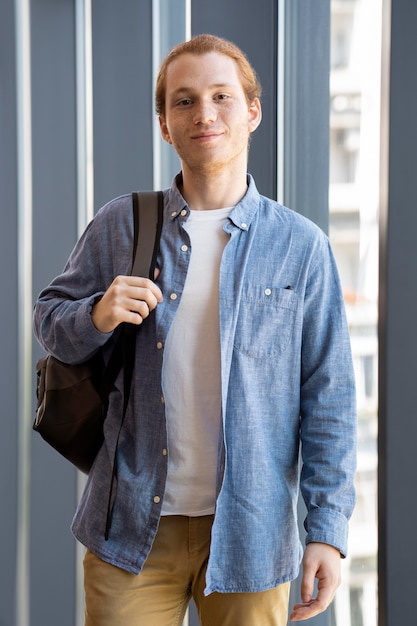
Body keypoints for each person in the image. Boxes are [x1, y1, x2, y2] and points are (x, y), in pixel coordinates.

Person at [33, 33, 356, 626]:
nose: (203, 113)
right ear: (164, 124)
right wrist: (97, 314)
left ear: (252, 111)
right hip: (130, 526)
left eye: (220, 96)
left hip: (252, 533)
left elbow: (329, 398)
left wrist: (327, 533)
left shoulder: (302, 247)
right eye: (183, 101)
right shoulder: (121, 225)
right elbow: (50, 323)